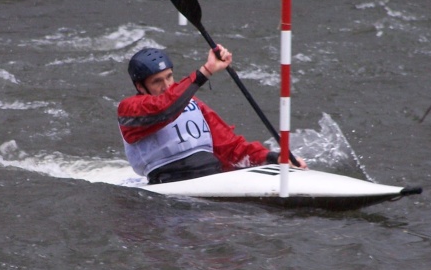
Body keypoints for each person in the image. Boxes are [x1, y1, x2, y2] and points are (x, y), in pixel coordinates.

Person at [118, 45, 305, 184]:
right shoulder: (129, 110)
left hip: (211, 176)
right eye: (157, 81)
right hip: (168, 184)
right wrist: (206, 71)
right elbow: (164, 108)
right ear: (140, 87)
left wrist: (273, 158)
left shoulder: (193, 104)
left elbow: (232, 149)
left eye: (169, 76)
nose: (167, 85)